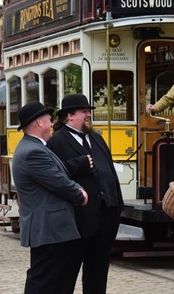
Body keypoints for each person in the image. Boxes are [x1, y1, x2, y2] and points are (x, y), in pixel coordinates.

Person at [46, 94, 124, 294]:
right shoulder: (57, 141)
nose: (88, 115)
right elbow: (53, 175)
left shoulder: (96, 138)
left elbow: (110, 173)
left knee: (98, 271)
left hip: (105, 215)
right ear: (69, 116)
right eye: (84, 112)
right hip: (77, 218)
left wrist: (117, 205)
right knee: (68, 271)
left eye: (89, 111)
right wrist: (76, 165)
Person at [12, 101, 88, 294]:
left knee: (53, 281)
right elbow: (58, 181)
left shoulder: (35, 147)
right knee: (43, 282)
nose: (53, 123)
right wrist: (79, 193)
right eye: (49, 119)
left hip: (51, 229)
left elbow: (59, 175)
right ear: (39, 122)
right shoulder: (33, 152)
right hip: (48, 228)